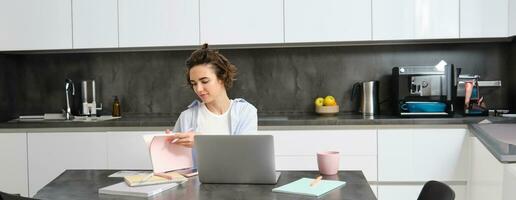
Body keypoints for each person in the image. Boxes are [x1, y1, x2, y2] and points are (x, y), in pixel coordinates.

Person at [166, 44, 258, 148]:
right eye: (194, 83)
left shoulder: (245, 112)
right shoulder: (186, 117)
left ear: (222, 78)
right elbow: (173, 159)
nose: (198, 89)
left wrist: (202, 143)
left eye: (204, 81)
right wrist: (166, 144)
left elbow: (245, 153)